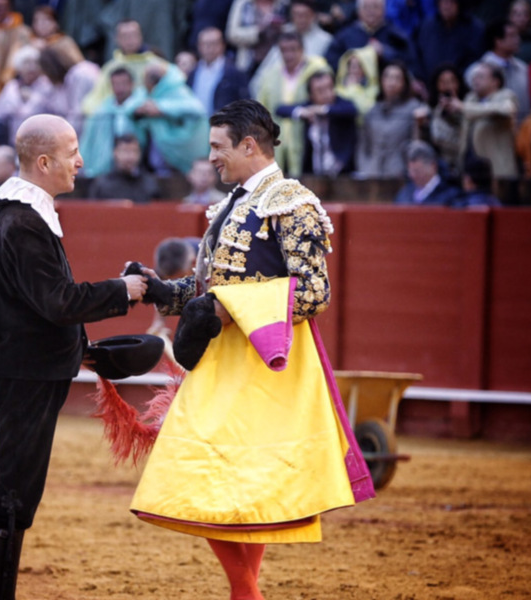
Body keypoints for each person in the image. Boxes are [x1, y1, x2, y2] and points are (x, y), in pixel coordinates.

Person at [127, 99, 374, 599]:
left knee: (220, 480)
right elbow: (205, 294)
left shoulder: (292, 201)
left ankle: (246, 592)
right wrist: (159, 291)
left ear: (248, 144)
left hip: (265, 361)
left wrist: (225, 309)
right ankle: (247, 592)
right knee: (225, 483)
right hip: (224, 362)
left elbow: (313, 293)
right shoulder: (228, 207)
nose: (211, 157)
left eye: (218, 147)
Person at [0, 113, 148, 600]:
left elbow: (31, 308)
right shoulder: (21, 222)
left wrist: (84, 351)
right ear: (43, 161)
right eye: (73, 151)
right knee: (14, 491)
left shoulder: (21, 214)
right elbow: (56, 302)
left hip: (29, 370)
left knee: (18, 488)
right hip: (26, 377)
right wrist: (122, 289)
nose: (81, 161)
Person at [255, 31, 329, 176]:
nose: (289, 55)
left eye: (293, 49)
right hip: (277, 143)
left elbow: (326, 100)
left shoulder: (316, 70)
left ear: (302, 50)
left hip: (309, 141)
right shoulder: (270, 75)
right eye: (284, 50)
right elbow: (260, 110)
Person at [131, 62, 210, 175]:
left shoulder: (176, 88)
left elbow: (198, 109)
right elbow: (130, 107)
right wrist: (141, 109)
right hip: (157, 153)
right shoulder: (145, 91)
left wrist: (161, 108)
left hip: (184, 148)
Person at [80, 19, 170, 116]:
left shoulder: (158, 65)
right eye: (125, 36)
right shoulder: (110, 68)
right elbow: (95, 99)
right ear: (116, 39)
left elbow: (172, 95)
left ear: (140, 36)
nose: (130, 40)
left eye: (133, 35)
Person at [277, 70, 359, 175]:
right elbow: (280, 109)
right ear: (311, 95)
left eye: (330, 88)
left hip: (342, 172)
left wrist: (322, 110)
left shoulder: (342, 105)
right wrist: (303, 112)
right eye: (320, 91)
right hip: (314, 172)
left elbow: (352, 110)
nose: (327, 94)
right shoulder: (309, 107)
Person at [356, 60, 428, 178]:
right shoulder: (372, 111)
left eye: (397, 78)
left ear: (405, 82)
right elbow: (363, 146)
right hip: (372, 174)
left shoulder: (414, 109)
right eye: (387, 77)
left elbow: (416, 144)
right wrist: (364, 168)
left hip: (400, 174)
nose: (392, 82)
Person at [450, 61, 519, 180]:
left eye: (480, 76)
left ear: (495, 81)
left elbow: (506, 109)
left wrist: (463, 107)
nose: (475, 80)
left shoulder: (506, 96)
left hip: (498, 170)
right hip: (471, 168)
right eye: (474, 77)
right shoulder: (470, 98)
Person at [325, 0, 420, 80]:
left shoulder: (396, 34)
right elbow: (330, 63)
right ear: (358, 11)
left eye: (375, 7)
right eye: (366, 7)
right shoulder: (345, 35)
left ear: (384, 10)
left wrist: (385, 53)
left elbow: (410, 63)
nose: (371, 11)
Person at [79, 66, 145, 178]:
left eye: (124, 83)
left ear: (132, 84)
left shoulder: (143, 107)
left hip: (141, 170)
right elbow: (88, 141)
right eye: (116, 84)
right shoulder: (101, 111)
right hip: (106, 171)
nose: (120, 88)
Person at [465, 19, 531, 125]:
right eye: (512, 36)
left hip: (521, 133)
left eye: (517, 35)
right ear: (498, 41)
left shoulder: (523, 68)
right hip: (490, 134)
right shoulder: (474, 72)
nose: (517, 40)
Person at [0, 45, 52, 145]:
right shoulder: (11, 86)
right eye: (26, 63)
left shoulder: (47, 86)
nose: (31, 67)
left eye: (35, 63)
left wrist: (33, 98)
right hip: (12, 139)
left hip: (40, 141)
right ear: (19, 67)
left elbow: (50, 110)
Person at [415, 0, 485, 86]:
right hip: (428, 87)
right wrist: (419, 79)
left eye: (450, 2)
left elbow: (476, 59)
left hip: (463, 86)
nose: (446, 6)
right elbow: (417, 55)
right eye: (443, 2)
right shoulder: (427, 26)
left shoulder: (474, 28)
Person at [187, 27, 251, 118]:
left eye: (213, 44)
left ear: (222, 45)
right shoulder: (193, 72)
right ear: (199, 46)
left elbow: (245, 103)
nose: (209, 48)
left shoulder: (234, 72)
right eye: (204, 44)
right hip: (196, 126)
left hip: (225, 127)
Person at [87, 133, 162, 203]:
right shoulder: (102, 184)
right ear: (115, 152)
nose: (130, 157)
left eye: (134, 151)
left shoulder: (149, 184)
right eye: (125, 151)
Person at [225, 0, 290, 75]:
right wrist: (258, 31)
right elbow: (231, 34)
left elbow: (296, 30)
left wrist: (281, 29)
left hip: (279, 64)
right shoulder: (243, 4)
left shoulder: (284, 4)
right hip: (249, 64)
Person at [393, 140, 460, 205]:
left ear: (433, 166)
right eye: (410, 171)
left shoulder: (451, 196)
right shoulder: (404, 194)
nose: (412, 175)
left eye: (417, 171)